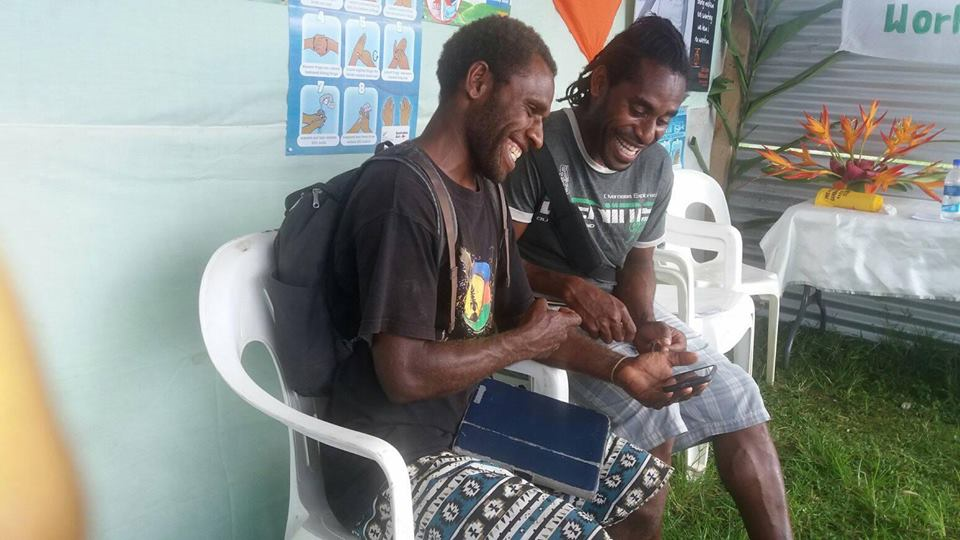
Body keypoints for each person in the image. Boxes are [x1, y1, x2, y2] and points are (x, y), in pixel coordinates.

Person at [318, 16, 703, 540]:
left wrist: (622, 371)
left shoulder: (488, 193)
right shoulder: (401, 194)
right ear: (477, 84)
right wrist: (520, 341)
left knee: (641, 489)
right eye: (531, 111)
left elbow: (528, 319)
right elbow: (403, 374)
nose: (540, 137)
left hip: (465, 419)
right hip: (388, 463)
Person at [504, 16, 793, 540]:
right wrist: (571, 287)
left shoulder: (656, 166)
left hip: (617, 313)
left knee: (738, 396)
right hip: (543, 315)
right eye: (639, 109)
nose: (647, 132)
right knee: (651, 412)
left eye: (664, 118)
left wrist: (643, 325)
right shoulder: (542, 148)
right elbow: (495, 260)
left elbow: (638, 261)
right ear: (599, 84)